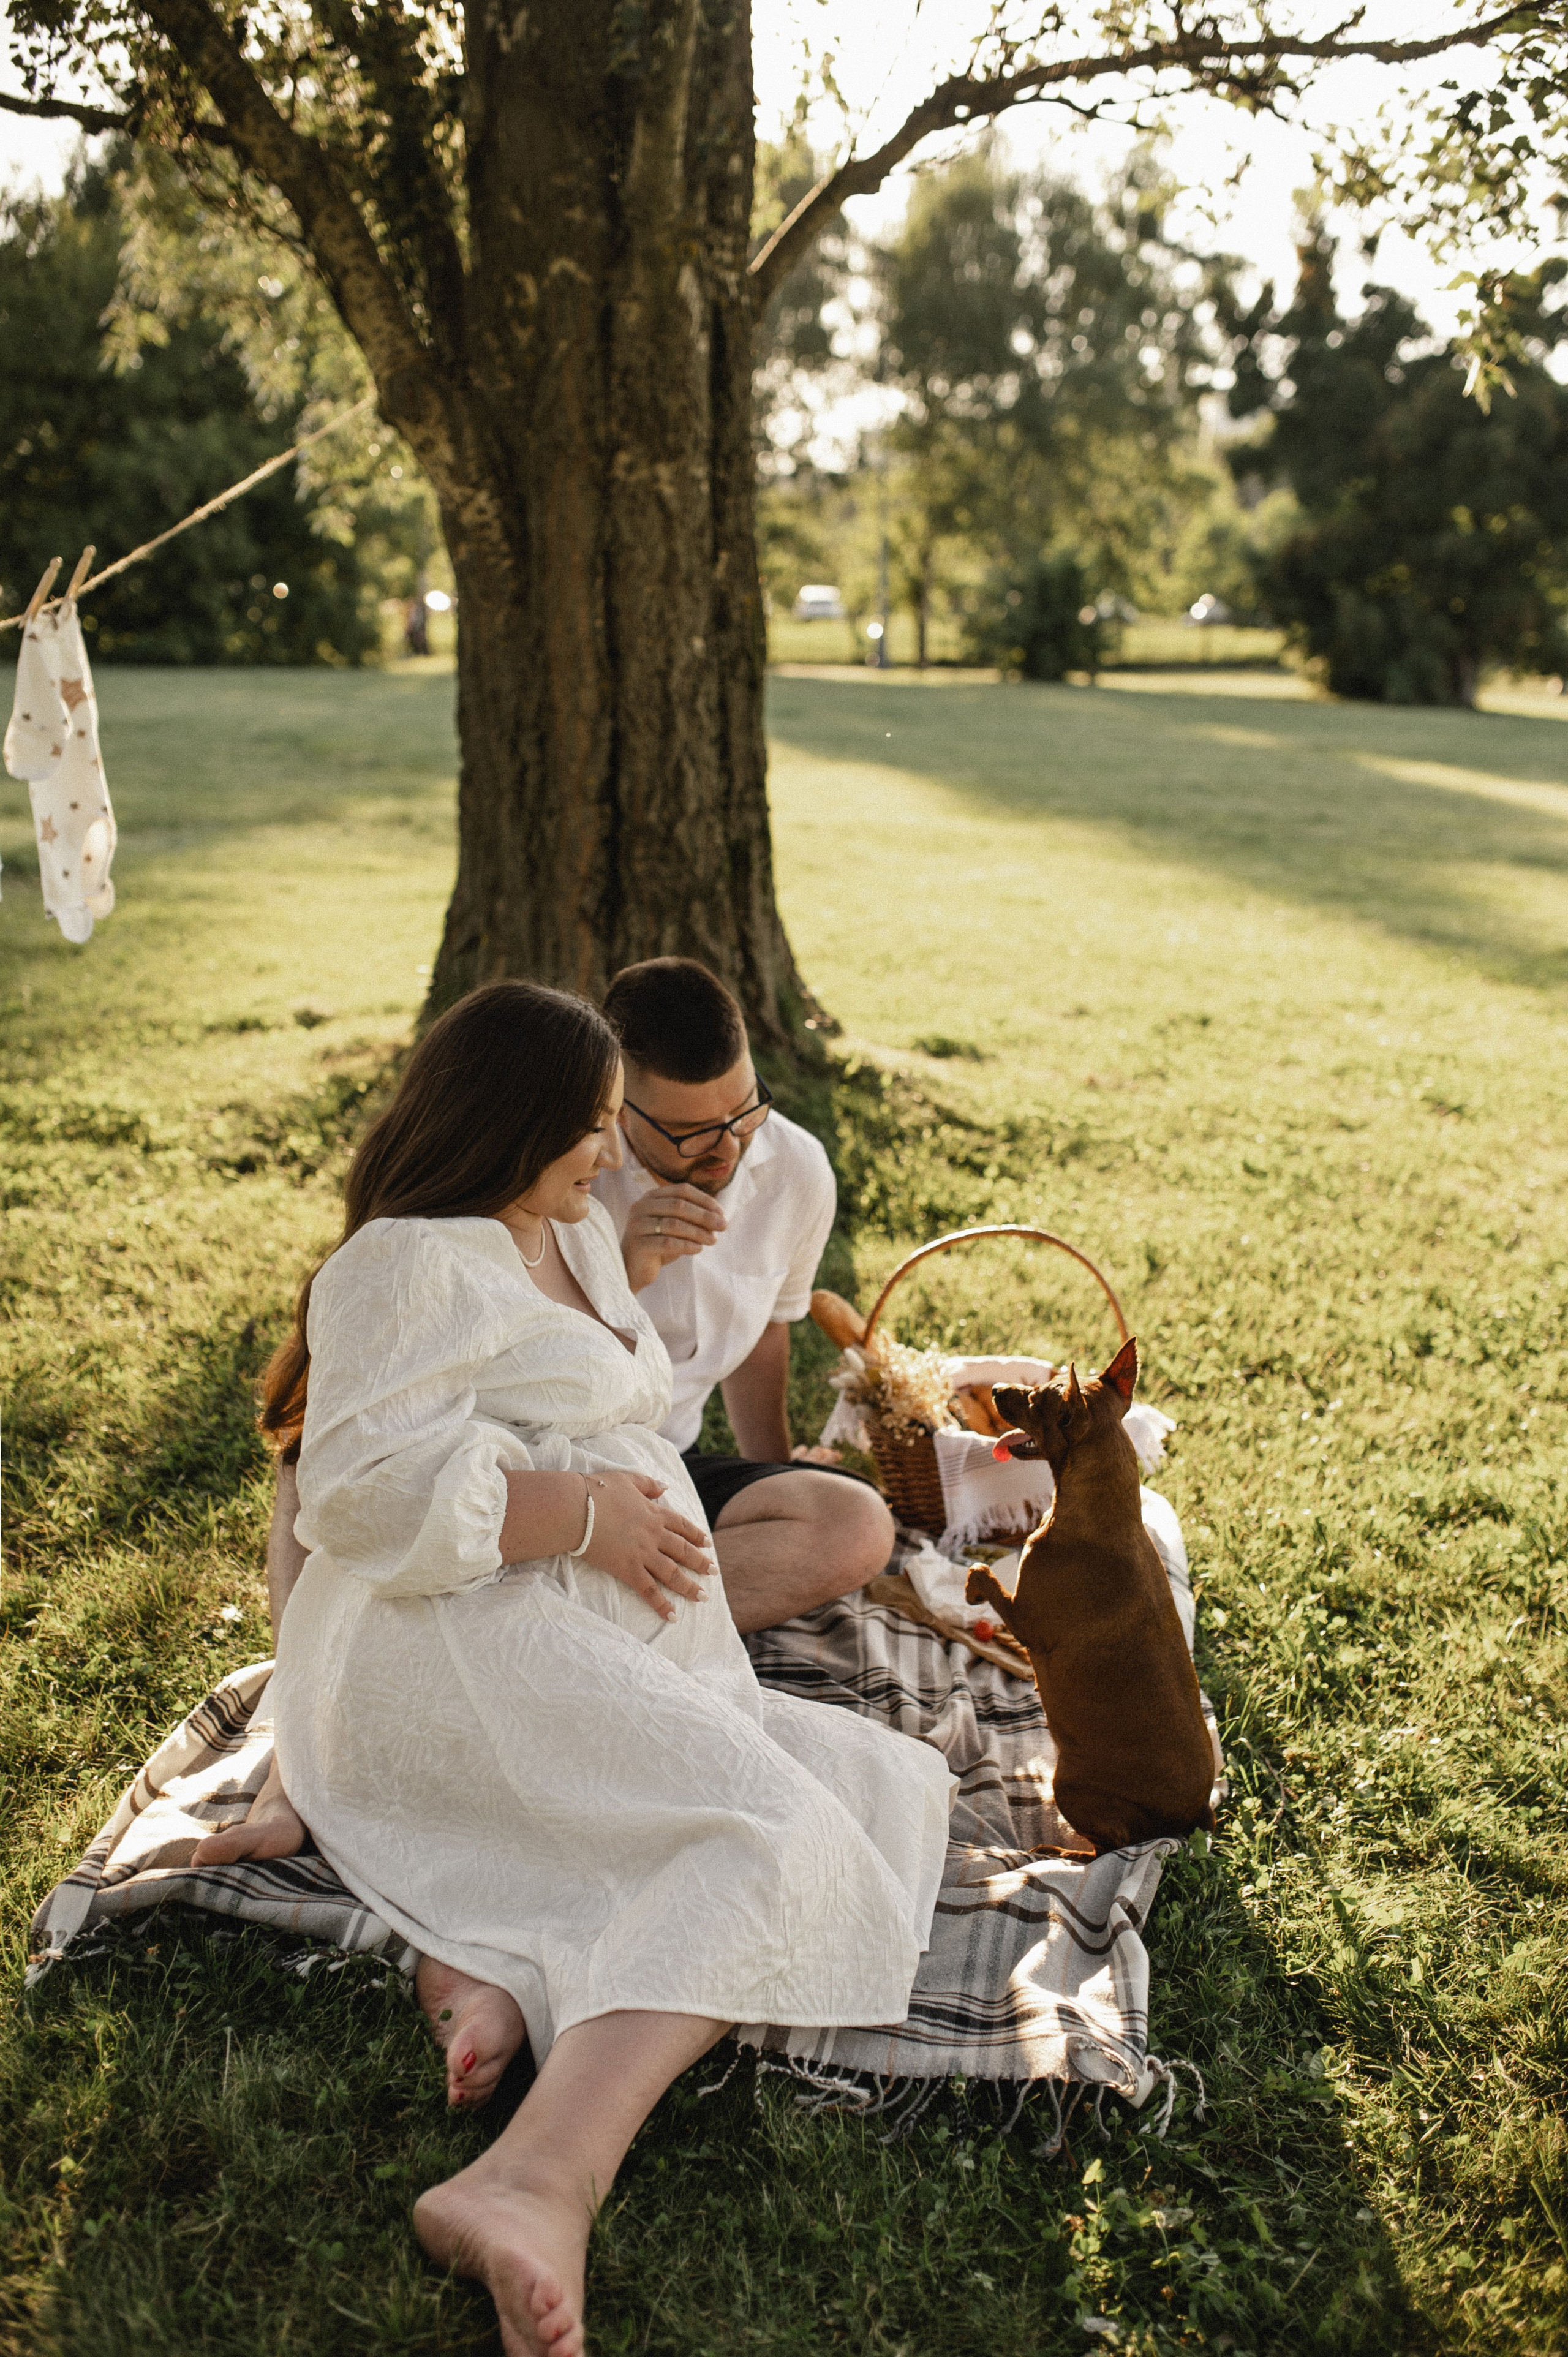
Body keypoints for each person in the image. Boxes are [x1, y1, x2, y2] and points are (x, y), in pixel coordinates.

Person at [240, 981, 952, 2357]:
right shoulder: (407, 1259)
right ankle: (532, 2180)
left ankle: (501, 1952)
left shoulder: (572, 1228)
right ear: (514, 1122)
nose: (608, 1151)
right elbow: (356, 1495)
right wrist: (581, 1516)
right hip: (455, 1639)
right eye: (590, 1126)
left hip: (592, 1628)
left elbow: (655, 1385)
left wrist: (637, 1510)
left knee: (873, 1784)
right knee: (770, 1830)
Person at [595, 957, 894, 1629]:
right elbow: (519, 1365)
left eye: (743, 1108)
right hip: (561, 1467)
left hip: (671, 1463)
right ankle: (612, 1624)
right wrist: (620, 1271)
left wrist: (775, 1477)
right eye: (691, 1132)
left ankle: (591, 1620)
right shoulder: (568, 1170)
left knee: (857, 1522)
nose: (727, 1148)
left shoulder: (794, 1168)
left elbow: (766, 1333)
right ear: (617, 1102)